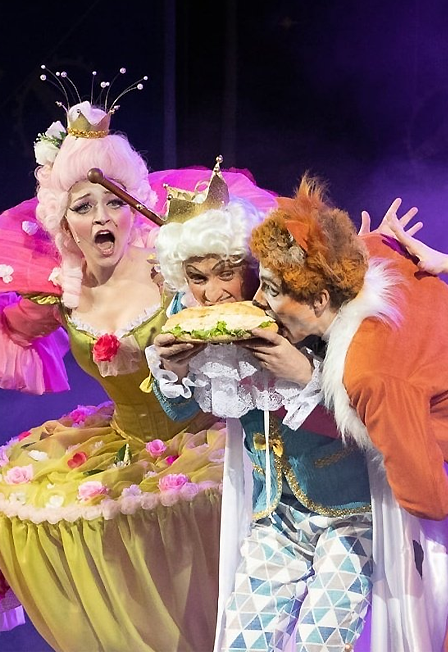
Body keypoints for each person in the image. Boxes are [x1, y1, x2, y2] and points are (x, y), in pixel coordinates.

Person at [0, 98, 226, 652]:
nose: (102, 217)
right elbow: (15, 331)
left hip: (204, 441)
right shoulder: (61, 294)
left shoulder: (171, 271)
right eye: (84, 206)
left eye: (114, 202)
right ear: (64, 222)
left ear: (134, 208)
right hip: (124, 448)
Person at [147, 174, 377, 652]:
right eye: (197, 278)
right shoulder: (189, 320)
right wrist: (175, 369)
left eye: (226, 273)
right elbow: (181, 410)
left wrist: (306, 374)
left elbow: (373, 414)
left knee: (320, 642)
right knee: (241, 643)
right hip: (274, 515)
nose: (213, 294)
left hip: (351, 513)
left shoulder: (303, 308)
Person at [246, 174, 448, 651]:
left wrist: (310, 381)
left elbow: (429, 499)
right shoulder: (371, 251)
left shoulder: (368, 375)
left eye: (271, 289)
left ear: (320, 299)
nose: (257, 301)